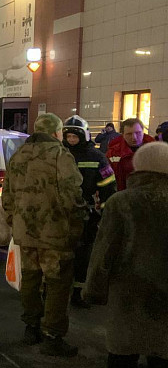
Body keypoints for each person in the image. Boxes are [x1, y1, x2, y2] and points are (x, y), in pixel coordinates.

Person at [85, 142, 168, 368]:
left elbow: (103, 252)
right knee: (165, 351)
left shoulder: (122, 202)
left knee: (124, 346)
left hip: (130, 293)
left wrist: (94, 290)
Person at [2, 113, 86, 357]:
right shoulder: (60, 155)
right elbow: (72, 195)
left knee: (30, 279)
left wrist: (15, 222)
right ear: (56, 133)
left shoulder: (18, 155)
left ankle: (31, 327)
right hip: (55, 234)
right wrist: (76, 226)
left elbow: (7, 196)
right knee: (58, 284)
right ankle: (53, 335)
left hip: (25, 233)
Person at [61, 115, 117, 309]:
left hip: (87, 215)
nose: (72, 140)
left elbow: (108, 186)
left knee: (84, 255)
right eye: (68, 136)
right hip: (61, 215)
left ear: (84, 136)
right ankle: (55, 291)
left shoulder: (97, 157)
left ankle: (79, 292)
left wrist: (102, 210)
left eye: (75, 137)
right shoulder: (59, 154)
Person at [107, 118, 154, 191]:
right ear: (122, 135)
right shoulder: (113, 153)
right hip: (121, 197)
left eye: (138, 133)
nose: (134, 137)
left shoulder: (155, 152)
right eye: (129, 134)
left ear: (143, 132)